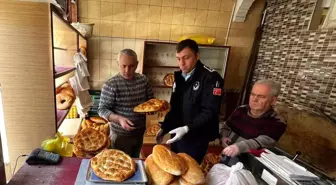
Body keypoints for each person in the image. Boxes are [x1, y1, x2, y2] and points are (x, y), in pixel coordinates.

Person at [156, 39, 224, 164]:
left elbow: (210, 111)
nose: (181, 63)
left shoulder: (211, 77)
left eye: (186, 58)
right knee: (175, 167)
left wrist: (187, 128)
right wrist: (164, 128)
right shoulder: (180, 77)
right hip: (177, 134)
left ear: (197, 56)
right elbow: (175, 107)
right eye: (178, 58)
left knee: (190, 171)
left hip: (196, 137)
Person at [98, 48, 154, 158]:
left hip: (139, 132)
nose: (127, 70)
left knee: (135, 160)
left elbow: (151, 102)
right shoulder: (111, 84)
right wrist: (119, 119)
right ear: (118, 64)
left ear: (137, 64)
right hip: (119, 135)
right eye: (123, 66)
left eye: (131, 66)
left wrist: (151, 111)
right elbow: (102, 110)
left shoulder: (144, 81)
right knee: (119, 164)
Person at [220, 79, 287, 158]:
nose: (254, 100)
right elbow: (226, 126)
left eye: (261, 96)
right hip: (226, 157)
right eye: (252, 94)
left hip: (248, 166)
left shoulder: (277, 122)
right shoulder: (241, 110)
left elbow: (261, 141)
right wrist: (223, 136)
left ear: (273, 100)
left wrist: (238, 147)